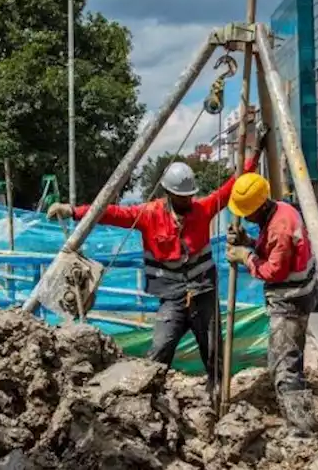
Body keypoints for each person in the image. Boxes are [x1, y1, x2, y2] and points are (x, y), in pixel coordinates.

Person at [45, 142, 264, 389]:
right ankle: (148, 397)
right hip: (171, 298)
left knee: (214, 354)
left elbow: (232, 187)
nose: (188, 199)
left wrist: (253, 156)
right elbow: (111, 213)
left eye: (190, 195)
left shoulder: (202, 210)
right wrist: (73, 211)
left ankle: (216, 398)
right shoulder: (149, 214)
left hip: (203, 294)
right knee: (160, 350)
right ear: (169, 194)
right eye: (183, 196)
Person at [225, 172, 318, 438]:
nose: (245, 218)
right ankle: (298, 423)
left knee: (284, 366)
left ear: (259, 206)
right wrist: (250, 244)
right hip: (299, 293)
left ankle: (301, 432)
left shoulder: (279, 227)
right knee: (290, 360)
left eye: (247, 213)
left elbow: (273, 271)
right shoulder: (282, 210)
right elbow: (274, 250)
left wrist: (246, 257)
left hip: (291, 300)